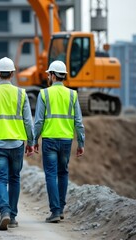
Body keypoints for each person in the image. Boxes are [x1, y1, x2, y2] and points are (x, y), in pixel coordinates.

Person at [0, 57, 34, 231]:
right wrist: (31, 141)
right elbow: (28, 121)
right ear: (12, 73)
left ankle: (4, 211)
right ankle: (12, 216)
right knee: (14, 178)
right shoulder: (22, 94)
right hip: (17, 143)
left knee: (1, 179)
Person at [33, 60, 85, 223]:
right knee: (63, 173)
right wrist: (81, 143)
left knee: (50, 174)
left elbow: (39, 120)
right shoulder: (72, 94)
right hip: (66, 140)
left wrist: (34, 139)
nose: (48, 76)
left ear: (53, 75)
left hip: (49, 140)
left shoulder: (44, 94)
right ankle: (60, 209)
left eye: (49, 74)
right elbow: (78, 121)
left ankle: (55, 211)